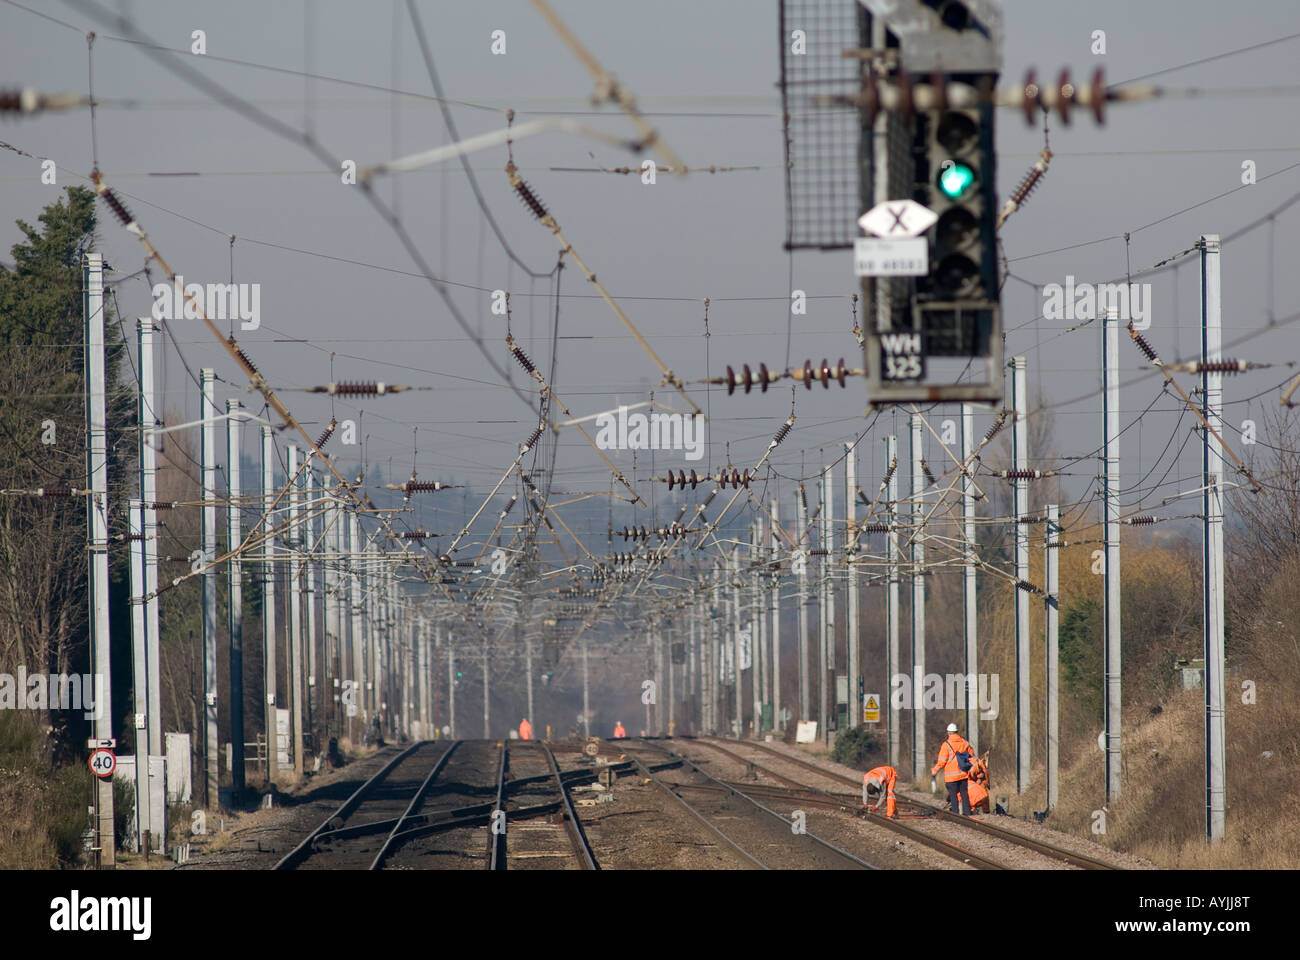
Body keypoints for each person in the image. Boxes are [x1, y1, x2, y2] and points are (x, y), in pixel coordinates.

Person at [932, 722, 976, 815]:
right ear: (957, 732)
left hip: (951, 776)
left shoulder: (946, 744)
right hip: (963, 774)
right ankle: (967, 812)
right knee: (964, 794)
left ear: (949, 733)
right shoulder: (965, 743)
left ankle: (955, 814)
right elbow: (971, 754)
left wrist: (934, 770)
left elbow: (942, 761)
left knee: (953, 795)